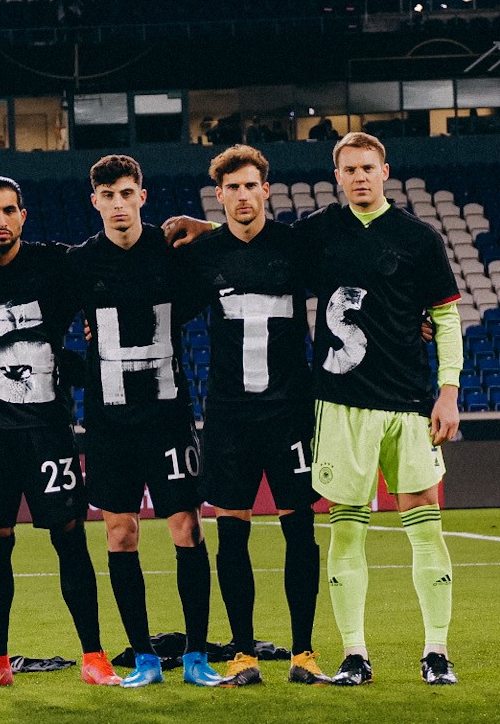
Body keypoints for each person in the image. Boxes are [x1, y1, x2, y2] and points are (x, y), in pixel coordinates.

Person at [167, 132, 462, 685]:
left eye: (367, 167)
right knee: (257, 531)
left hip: (319, 407)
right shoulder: (300, 235)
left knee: (311, 528)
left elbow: (437, 314)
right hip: (267, 410)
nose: (359, 176)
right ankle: (271, 654)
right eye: (232, 188)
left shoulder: (348, 240)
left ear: (384, 170)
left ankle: (352, 652)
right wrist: (203, 227)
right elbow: (215, 256)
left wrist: (444, 382)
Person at [0, 177, 117, 688]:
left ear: (23, 215)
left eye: (9, 210)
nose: (1, 220)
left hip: (49, 430)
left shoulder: (54, 262)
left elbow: (111, 261)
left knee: (70, 538)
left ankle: (94, 656)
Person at [173, 147, 330, 687]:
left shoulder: (297, 246)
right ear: (219, 196)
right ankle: (242, 653)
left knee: (300, 532)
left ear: (267, 190)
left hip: (290, 413)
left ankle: (304, 652)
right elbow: (157, 300)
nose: (242, 196)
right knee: (232, 537)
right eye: (231, 188)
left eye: (250, 186)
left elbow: (349, 281)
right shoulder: (203, 253)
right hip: (229, 418)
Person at [69, 155, 218, 689]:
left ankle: (198, 654)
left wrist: (209, 226)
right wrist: (75, 364)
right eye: (107, 195)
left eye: (126, 193)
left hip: (169, 417)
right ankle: (146, 658)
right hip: (109, 425)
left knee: (185, 527)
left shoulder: (173, 251)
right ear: (95, 202)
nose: (118, 204)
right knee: (121, 533)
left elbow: (240, 260)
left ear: (142, 196)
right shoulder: (80, 262)